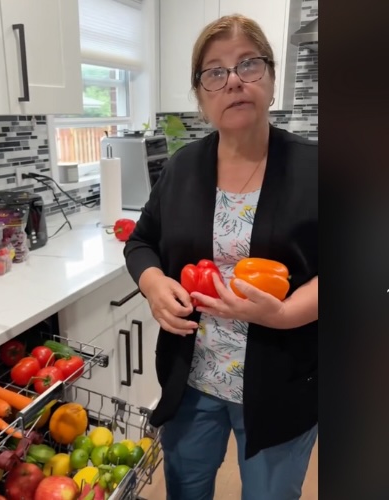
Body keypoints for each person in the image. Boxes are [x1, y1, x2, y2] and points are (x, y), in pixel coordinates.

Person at [123, 15, 317, 500]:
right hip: (191, 379)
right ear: (201, 93)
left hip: (281, 382)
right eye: (215, 71)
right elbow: (141, 240)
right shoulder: (183, 167)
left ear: (272, 80)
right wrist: (152, 284)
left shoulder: (316, 169)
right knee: (186, 489)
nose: (233, 80)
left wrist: (286, 313)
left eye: (248, 64)